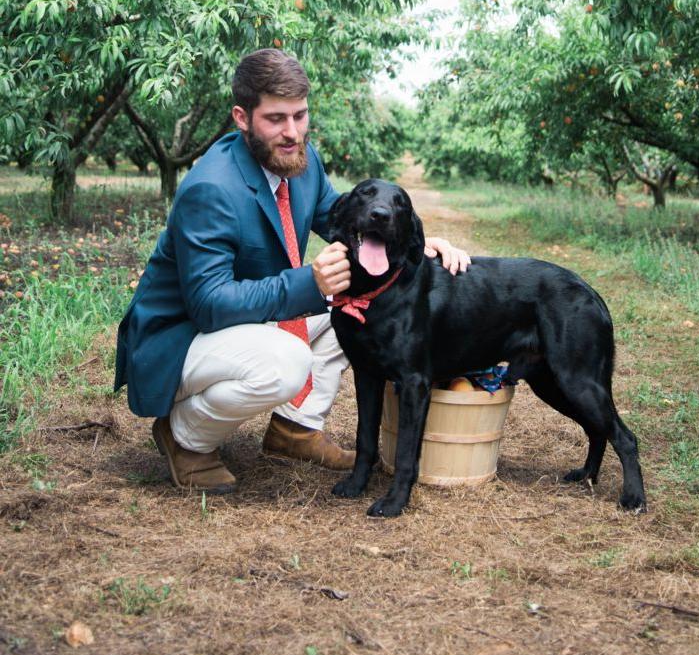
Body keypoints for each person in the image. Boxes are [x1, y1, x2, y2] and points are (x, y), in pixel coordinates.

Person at [114, 49, 469, 494]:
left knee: (364, 311)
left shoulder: (301, 161)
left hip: (235, 322)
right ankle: (185, 436)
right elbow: (208, 306)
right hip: (178, 337)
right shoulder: (211, 189)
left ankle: (295, 430)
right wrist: (310, 283)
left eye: (300, 116)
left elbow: (341, 219)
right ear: (242, 118)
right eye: (276, 119)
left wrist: (416, 239)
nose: (292, 133)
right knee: (287, 361)